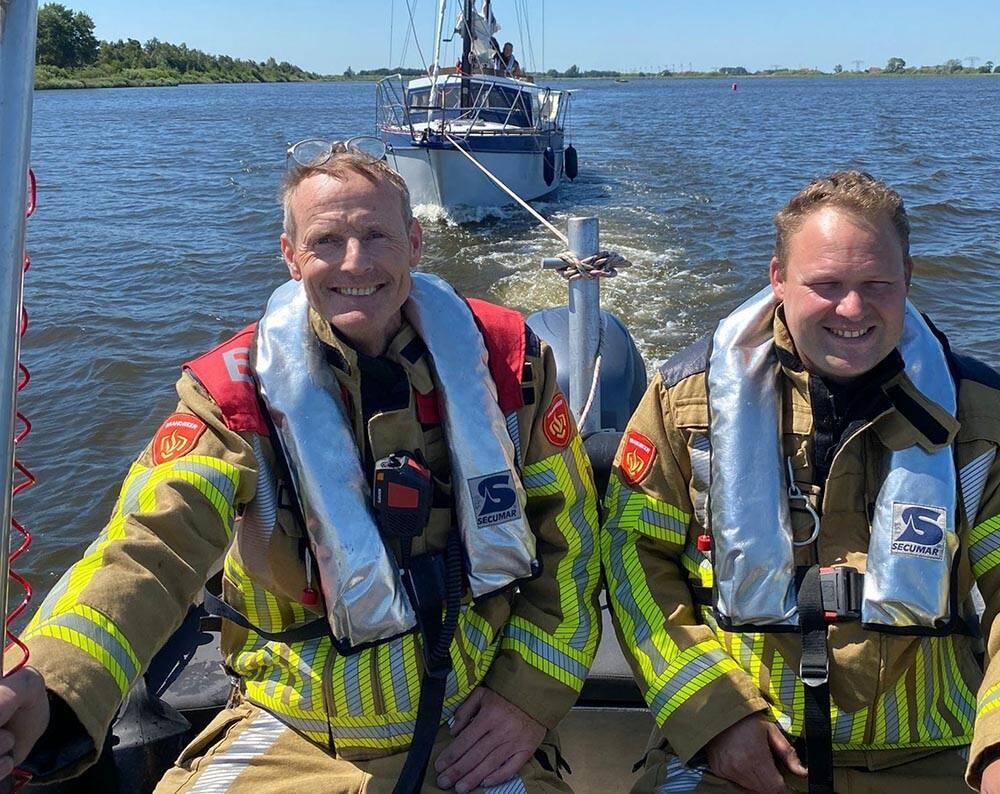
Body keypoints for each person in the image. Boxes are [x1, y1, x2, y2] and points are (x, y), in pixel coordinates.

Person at [0, 144, 601, 792]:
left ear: (416, 242)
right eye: (327, 241)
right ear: (290, 257)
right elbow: (148, 548)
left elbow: (573, 542)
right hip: (290, 732)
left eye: (376, 236)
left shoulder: (512, 368)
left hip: (475, 728)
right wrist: (51, 680)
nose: (355, 261)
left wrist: (527, 698)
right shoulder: (233, 398)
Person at [602, 170, 1000, 793]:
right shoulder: (686, 404)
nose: (852, 308)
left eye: (876, 284)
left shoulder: (981, 415)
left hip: (936, 752)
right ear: (777, 280)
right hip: (736, 752)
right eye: (825, 285)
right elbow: (632, 560)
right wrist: (714, 717)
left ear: (909, 281)